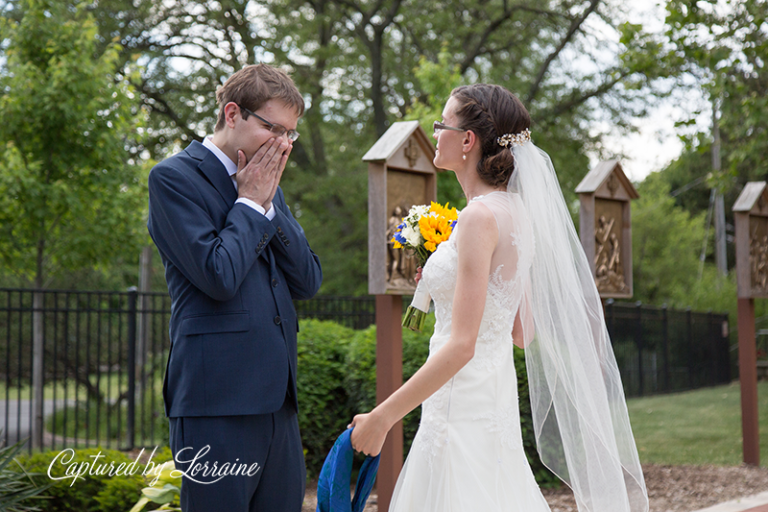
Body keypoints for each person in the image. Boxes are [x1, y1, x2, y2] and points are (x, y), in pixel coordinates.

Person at [349, 84, 649, 512]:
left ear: (467, 140)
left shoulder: (477, 217)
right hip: (495, 399)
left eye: (442, 125)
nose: (436, 134)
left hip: (460, 402)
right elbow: (522, 331)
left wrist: (382, 418)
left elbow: (462, 345)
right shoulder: (518, 215)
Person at [147, 64, 322, 512]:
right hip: (215, 403)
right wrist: (247, 203)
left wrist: (266, 202)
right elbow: (218, 275)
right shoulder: (174, 179)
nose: (283, 144)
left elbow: (308, 280)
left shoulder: (268, 185)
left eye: (291, 134)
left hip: (278, 404)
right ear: (232, 113)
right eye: (273, 128)